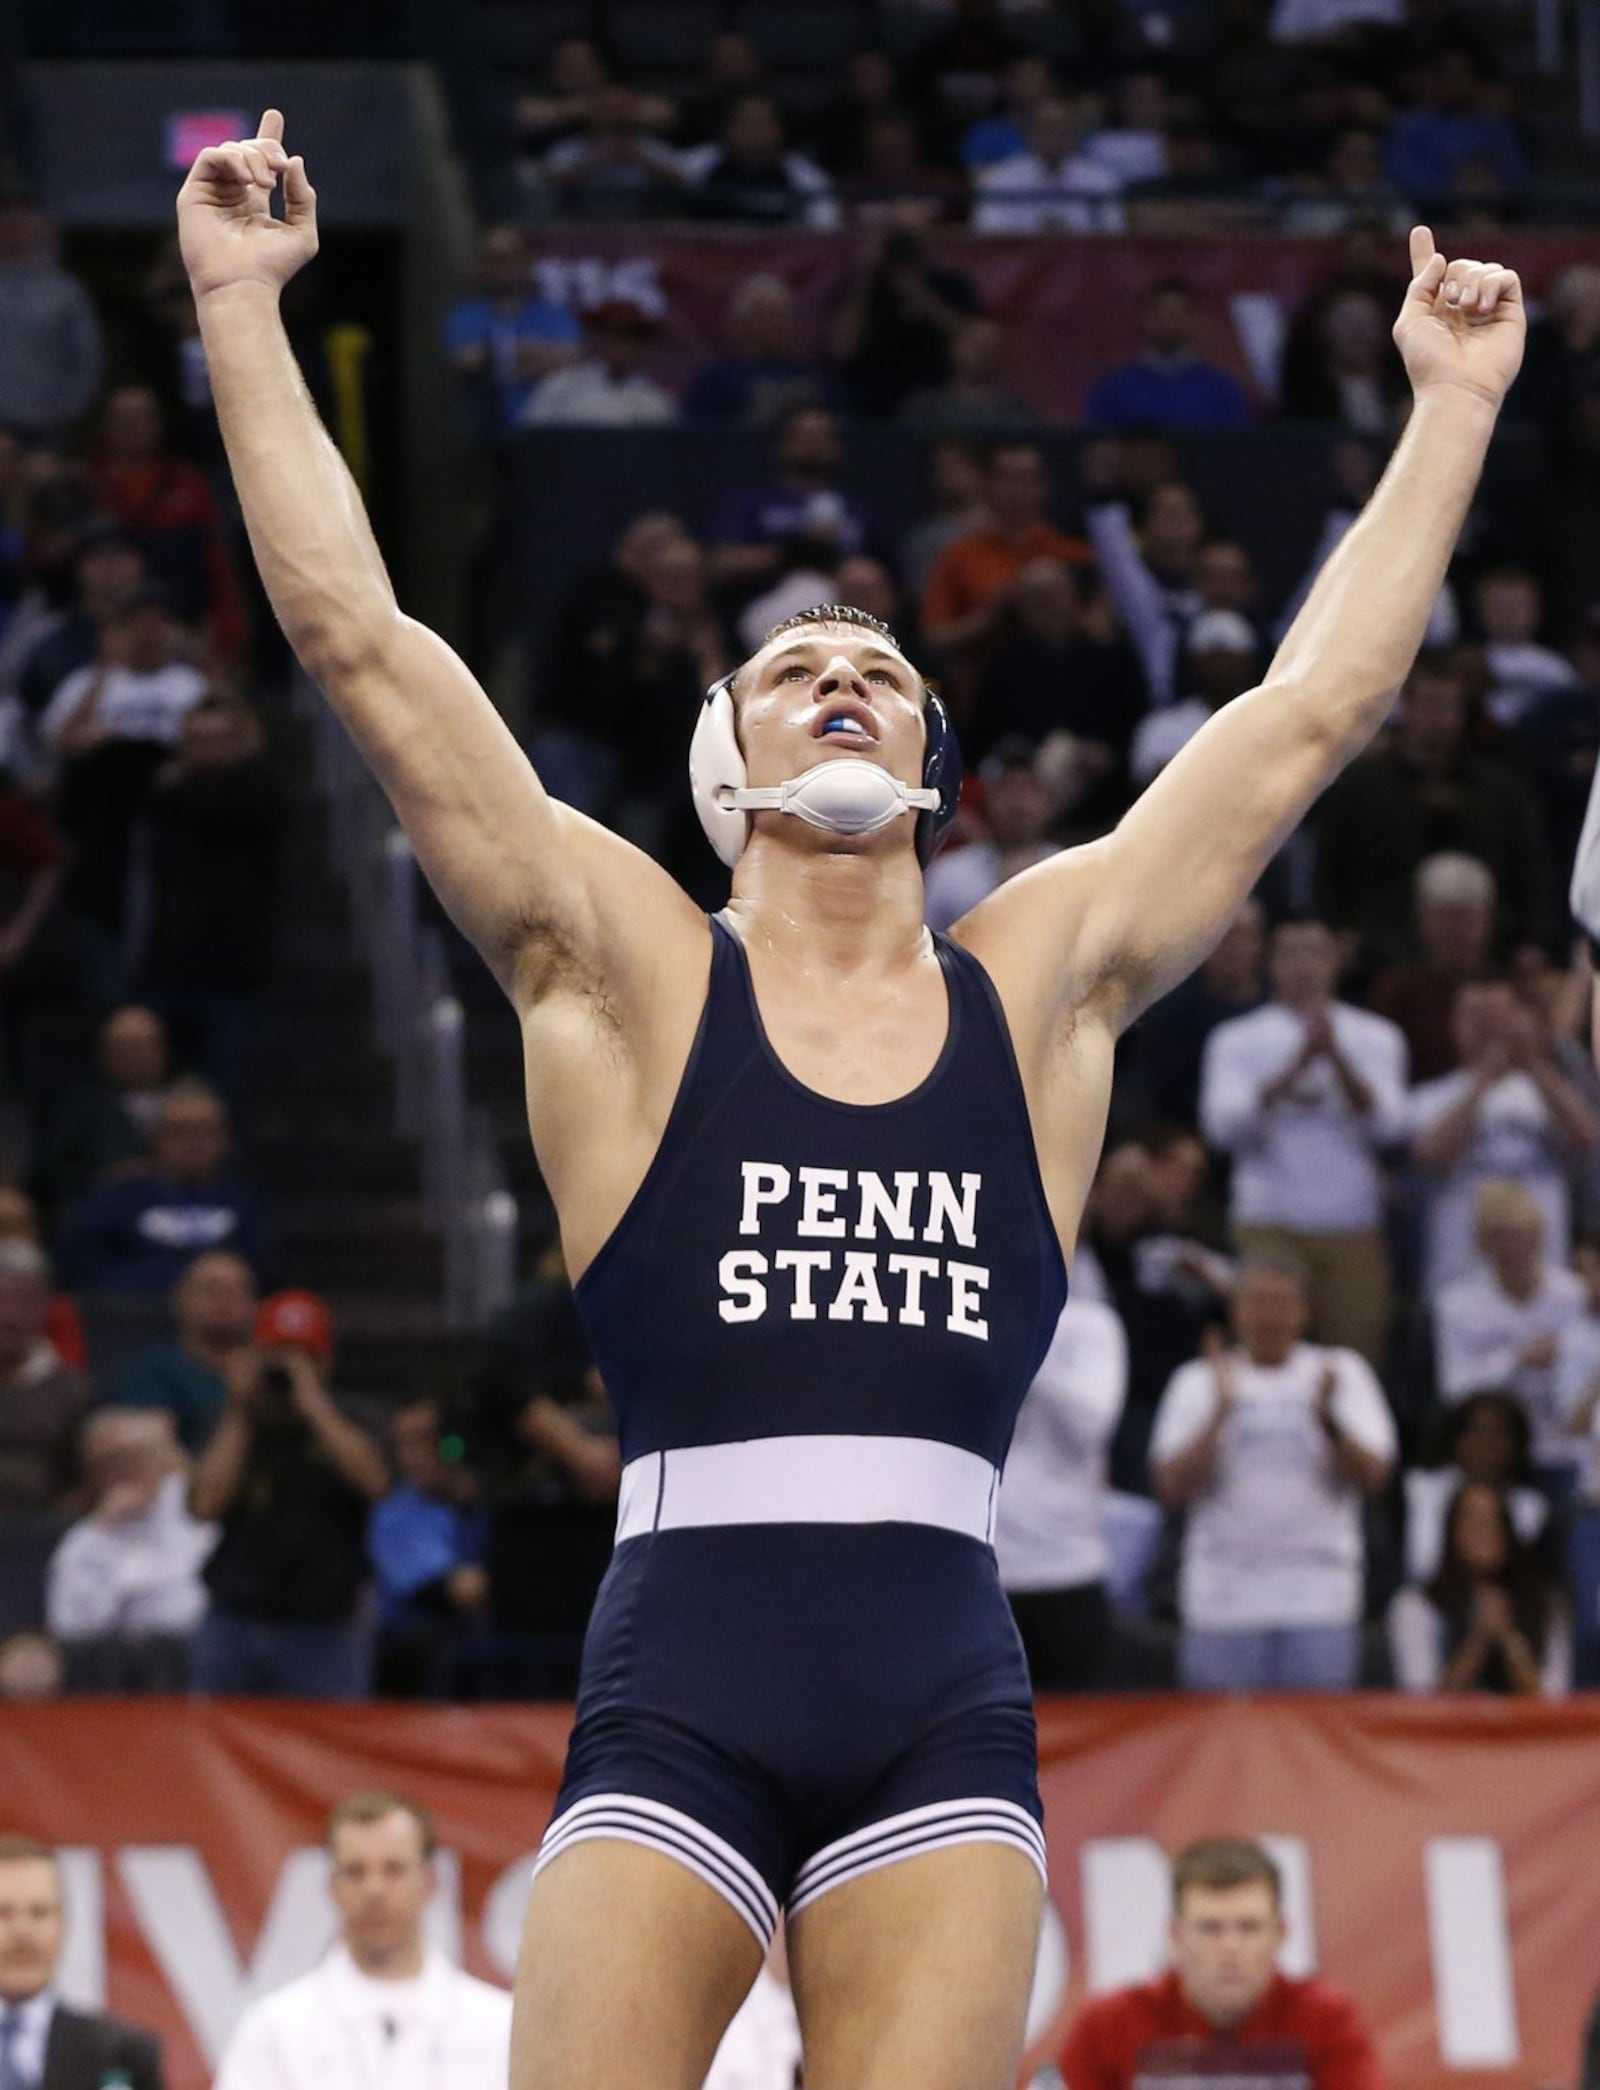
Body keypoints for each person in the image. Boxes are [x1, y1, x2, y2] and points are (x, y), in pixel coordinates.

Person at [177, 113, 1522, 2087]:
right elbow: (362, 653)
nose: (838, 674)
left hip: (936, 1705)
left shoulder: (1036, 986)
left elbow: (1305, 718)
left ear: (932, 767)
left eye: (877, 669)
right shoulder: (623, 975)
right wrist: (236, 304)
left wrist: (1449, 404)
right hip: (679, 1690)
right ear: (719, 764)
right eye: (791, 662)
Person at [1152, 1253, 1396, 1689]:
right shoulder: (1198, 1381)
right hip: (1222, 1603)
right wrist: (1220, 1413)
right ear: (1236, 1310)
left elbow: (1375, 1480)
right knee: (1221, 1750)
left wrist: (1328, 1422)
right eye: (1258, 1303)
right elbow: (1170, 1489)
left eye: (1282, 1303)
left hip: (1319, 1599)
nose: (1270, 1317)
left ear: (1306, 1311)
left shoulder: (1342, 1373)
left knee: (1314, 1752)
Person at [1199, 918, 1408, 1364]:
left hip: (1352, 1222)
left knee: (1357, 1358)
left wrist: (1337, 1060)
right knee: (1265, 1353)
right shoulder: (1236, 1040)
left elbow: (1391, 1128)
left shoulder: (1376, 1037)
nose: (1303, 966)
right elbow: (1222, 1128)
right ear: (1271, 963)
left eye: (1314, 953)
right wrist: (1293, 1069)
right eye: (1291, 954)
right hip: (1270, 1219)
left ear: (1334, 961)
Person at [212, 1793, 511, 2090]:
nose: (374, 1890)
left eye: (393, 1869)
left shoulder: (499, 2027)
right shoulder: (274, 2031)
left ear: (429, 1882)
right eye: (356, 1872)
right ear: (332, 1887)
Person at [1059, 1837, 1386, 2090]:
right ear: (1175, 1935)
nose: (1230, 1947)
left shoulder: (1325, 2021)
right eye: (1210, 1928)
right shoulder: (1111, 2026)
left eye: (1249, 1927)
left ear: (1280, 1933)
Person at [188, 1288, 387, 1697]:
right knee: (216, 1753)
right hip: (235, 1620)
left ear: (326, 1361)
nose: (289, 1371)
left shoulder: (353, 1418)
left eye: (305, 1357)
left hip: (326, 1626)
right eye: (278, 1356)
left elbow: (375, 1484)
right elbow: (205, 1505)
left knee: (328, 1751)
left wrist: (311, 1399)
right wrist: (239, 1409)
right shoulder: (237, 1425)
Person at [1408, 982, 1599, 1294]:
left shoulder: (1545, 1093)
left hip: (1544, 1271)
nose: (1488, 1030)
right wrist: (1485, 1078)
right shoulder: (1434, 1095)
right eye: (1476, 1018)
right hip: (1460, 1270)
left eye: (1498, 1018)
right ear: (1456, 1026)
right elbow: (1430, 1154)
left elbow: (1589, 1137)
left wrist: (1534, 1062)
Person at [994, 1294, 1127, 1689]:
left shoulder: (1091, 1324)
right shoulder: (964, 1308)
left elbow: (1092, 1427)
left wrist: (1026, 1340)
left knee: (1084, 1739)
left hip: (1068, 1570)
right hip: (982, 1571)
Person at [44, 1406, 215, 1686]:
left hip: (205, 1653)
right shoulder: (87, 1537)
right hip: (128, 1668)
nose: (123, 1468)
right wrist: (104, 1532)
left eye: (134, 1455)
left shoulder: (200, 1511)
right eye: (108, 1459)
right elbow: (72, 1631)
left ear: (165, 1457)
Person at [55, 1079, 272, 1296]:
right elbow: (81, 1265)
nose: (193, 1142)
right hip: (134, 1317)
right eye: (180, 1131)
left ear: (223, 1140)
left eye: (204, 1131)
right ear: (157, 1138)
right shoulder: (120, 1196)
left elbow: (263, 1270)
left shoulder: (245, 1201)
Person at [1432, 1180, 1587, 1476]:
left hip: (1566, 1447)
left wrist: (1568, 1356)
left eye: (1524, 1235)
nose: (1514, 1247)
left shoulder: (1574, 1297)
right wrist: (1517, 1360)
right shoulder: (1457, 1306)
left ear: (1541, 1236)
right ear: (1482, 1243)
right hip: (1496, 1456)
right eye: (1501, 1237)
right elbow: (1455, 1390)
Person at [0, 1837, 165, 2088]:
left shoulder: (123, 2055)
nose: (23, 1931)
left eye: (39, 1912)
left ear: (64, 1926)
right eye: (4, 1912)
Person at [1388, 1479, 1570, 1695]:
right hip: (1449, 1727)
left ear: (1508, 1531)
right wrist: (1479, 1638)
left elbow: (1553, 1703)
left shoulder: (1546, 1603)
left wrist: (1508, 1638)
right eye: (1471, 1521)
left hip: (1522, 1727)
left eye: (1493, 1521)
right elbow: (1419, 1702)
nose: (1482, 1532)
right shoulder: (1415, 1605)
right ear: (1451, 1531)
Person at [110, 1246, 257, 1453]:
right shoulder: (153, 1370)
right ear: (180, 1297)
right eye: (212, 1290)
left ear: (255, 1304)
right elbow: (145, 1453)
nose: (225, 1300)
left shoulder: (272, 1369)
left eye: (237, 1290)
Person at [443, 225, 581, 441]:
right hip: (484, 434)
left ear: (527, 261)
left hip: (547, 430)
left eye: (511, 257)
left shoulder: (554, 313)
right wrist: (530, 353)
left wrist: (497, 357)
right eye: (494, 259)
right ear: (481, 265)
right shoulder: (465, 316)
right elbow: (466, 361)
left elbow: (568, 360)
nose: (503, 267)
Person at [1367, 853, 1497, 1083]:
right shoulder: (1396, 993)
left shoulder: (1507, 987)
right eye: (1445, 918)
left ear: (1485, 921)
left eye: (1466, 918)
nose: (1456, 931)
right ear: (1423, 921)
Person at [32, 1004, 170, 1214]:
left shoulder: (188, 1103)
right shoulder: (80, 1108)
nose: (132, 1057)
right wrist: (104, 1177)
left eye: (140, 1046)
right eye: (122, 1049)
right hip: (104, 1214)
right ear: (105, 1054)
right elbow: (52, 1174)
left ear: (161, 1050)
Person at [1085, 280, 1252, 433]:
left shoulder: (1221, 390)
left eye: (1175, 314)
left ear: (1192, 320)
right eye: (1160, 314)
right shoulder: (1114, 390)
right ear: (1145, 317)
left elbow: (1234, 455)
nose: (1167, 322)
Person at [0, 200, 103, 446]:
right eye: (6, 230)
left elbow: (87, 358)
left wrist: (71, 410)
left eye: (20, 230)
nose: (13, 238)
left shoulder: (66, 292)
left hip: (49, 422)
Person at [0, 1239, 90, 1513]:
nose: (9, 1316)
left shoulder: (74, 1390)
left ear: (46, 1307)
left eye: (24, 1301)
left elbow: (86, 1481)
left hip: (43, 1535)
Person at [521, 297, 677, 429]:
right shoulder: (560, 386)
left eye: (629, 337)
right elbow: (531, 441)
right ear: (596, 338)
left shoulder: (655, 402)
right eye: (611, 334)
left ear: (642, 346)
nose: (619, 345)